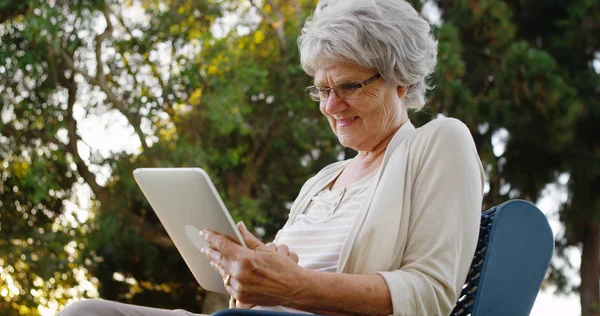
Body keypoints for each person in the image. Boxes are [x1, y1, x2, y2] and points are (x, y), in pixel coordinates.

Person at [60, 0, 484, 315]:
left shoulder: (439, 142)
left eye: (350, 86)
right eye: (322, 89)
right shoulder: (320, 182)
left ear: (403, 81)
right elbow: (271, 292)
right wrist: (256, 270)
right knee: (85, 313)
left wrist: (296, 287)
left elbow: (431, 293)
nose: (330, 106)